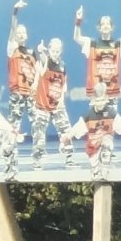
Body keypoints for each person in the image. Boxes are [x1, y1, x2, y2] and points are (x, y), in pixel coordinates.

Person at [69, 82, 121, 182]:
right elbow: (75, 128)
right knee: (95, 174)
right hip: (92, 147)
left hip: (105, 142)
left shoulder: (111, 113)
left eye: (102, 100)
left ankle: (105, 170)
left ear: (107, 98)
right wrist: (67, 137)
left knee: (107, 141)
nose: (100, 103)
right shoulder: (88, 115)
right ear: (93, 100)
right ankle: (96, 170)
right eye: (98, 100)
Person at [75, 5, 121, 98]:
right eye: (103, 24)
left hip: (112, 93)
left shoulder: (117, 44)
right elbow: (77, 38)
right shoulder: (92, 44)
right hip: (96, 94)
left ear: (112, 27)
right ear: (99, 27)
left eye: (108, 24)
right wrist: (78, 20)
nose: (105, 26)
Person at [30, 38, 75, 170]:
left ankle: (69, 157)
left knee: (66, 129)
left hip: (57, 104)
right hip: (42, 105)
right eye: (53, 50)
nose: (55, 53)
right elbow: (44, 62)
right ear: (49, 50)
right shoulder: (45, 61)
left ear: (61, 51)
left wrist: (61, 100)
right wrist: (40, 51)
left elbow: (64, 85)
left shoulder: (62, 65)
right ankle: (37, 159)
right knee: (39, 132)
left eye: (58, 51)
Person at [4, 0, 37, 138]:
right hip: (17, 91)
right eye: (19, 32)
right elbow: (12, 28)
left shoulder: (31, 51)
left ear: (27, 34)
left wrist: (35, 86)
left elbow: (36, 73)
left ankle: (38, 153)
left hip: (30, 92)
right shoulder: (12, 48)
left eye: (24, 32)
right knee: (14, 124)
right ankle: (10, 155)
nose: (21, 34)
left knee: (37, 121)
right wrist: (15, 11)